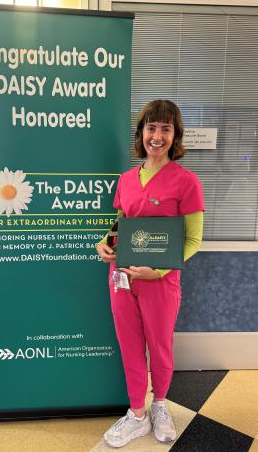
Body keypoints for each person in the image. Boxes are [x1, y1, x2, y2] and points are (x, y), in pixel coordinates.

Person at [96, 99, 204, 448]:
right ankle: (137, 414)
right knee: (129, 346)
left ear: (175, 135)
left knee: (159, 346)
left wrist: (157, 270)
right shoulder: (127, 180)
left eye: (165, 129)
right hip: (122, 278)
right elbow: (121, 225)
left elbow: (193, 240)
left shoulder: (186, 182)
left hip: (160, 280)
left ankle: (159, 406)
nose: (157, 136)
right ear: (141, 133)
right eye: (151, 128)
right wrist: (105, 242)